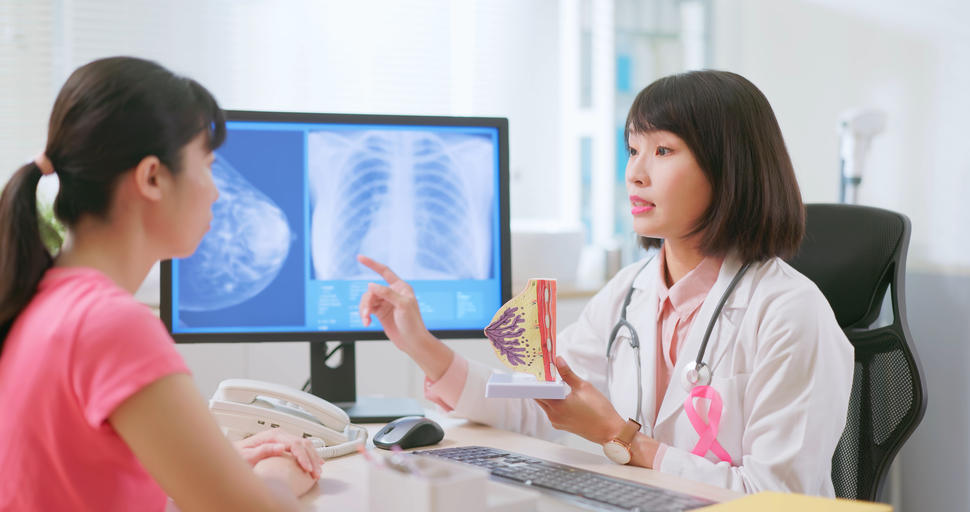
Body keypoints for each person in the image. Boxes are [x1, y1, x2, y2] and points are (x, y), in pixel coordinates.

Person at [357, 70, 854, 496]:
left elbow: (776, 498)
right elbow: (538, 404)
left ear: (730, 168)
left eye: (662, 150)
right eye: (633, 149)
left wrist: (625, 440)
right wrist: (422, 346)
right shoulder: (629, 291)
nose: (635, 173)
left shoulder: (789, 312)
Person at [0, 57, 323, 511]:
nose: (215, 190)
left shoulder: (41, 301)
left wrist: (216, 464)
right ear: (152, 177)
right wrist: (280, 475)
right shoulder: (111, 325)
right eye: (206, 165)